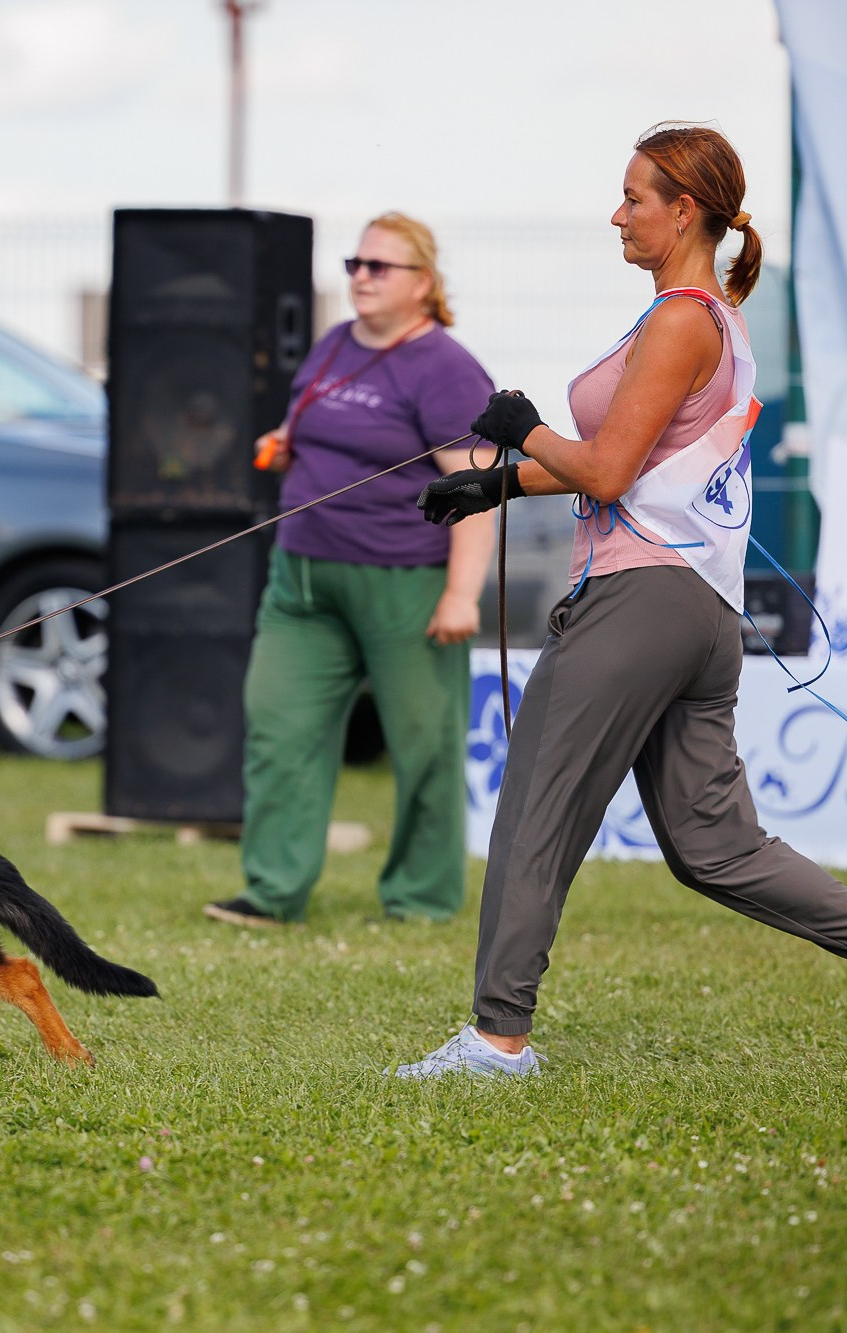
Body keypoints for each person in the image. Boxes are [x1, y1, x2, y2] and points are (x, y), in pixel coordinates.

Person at [399, 125, 847, 1077]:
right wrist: (501, 485)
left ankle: (498, 1042)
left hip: (640, 601)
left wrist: (524, 430)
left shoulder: (680, 319)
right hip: (699, 611)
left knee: (536, 807)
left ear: (685, 210)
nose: (617, 214)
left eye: (634, 198)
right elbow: (642, 463)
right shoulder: (711, 320)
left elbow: (611, 466)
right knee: (713, 844)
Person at [204, 212, 496, 928]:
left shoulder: (447, 370)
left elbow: (478, 490)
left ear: (423, 284)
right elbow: (314, 427)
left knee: (424, 741)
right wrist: (283, 442)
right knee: (277, 727)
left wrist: (462, 592)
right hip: (302, 575)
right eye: (355, 264)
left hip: (406, 580)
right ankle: (272, 892)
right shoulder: (333, 344)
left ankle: (421, 899)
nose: (360, 277)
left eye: (379, 267)